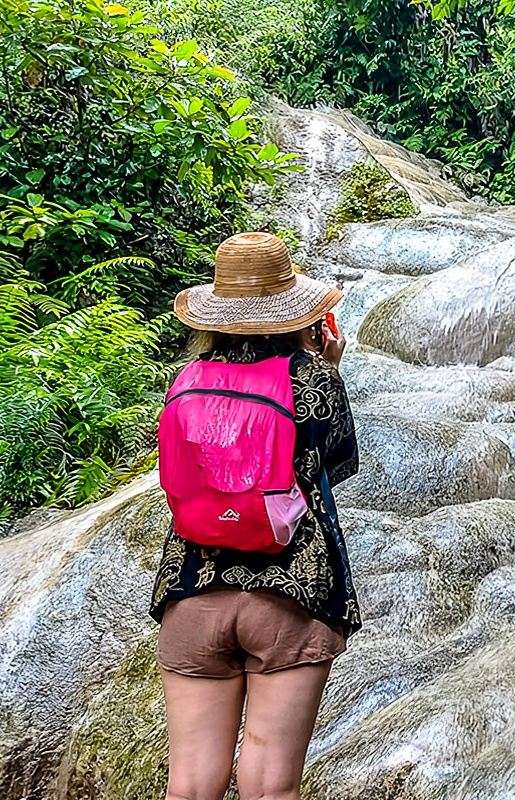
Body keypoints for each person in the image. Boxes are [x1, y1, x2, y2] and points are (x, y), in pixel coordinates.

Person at [151, 232, 360, 800]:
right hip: (289, 595)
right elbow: (335, 464)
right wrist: (328, 370)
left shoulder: (186, 380)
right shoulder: (311, 380)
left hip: (193, 588)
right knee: (270, 786)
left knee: (190, 785)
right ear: (297, 312)